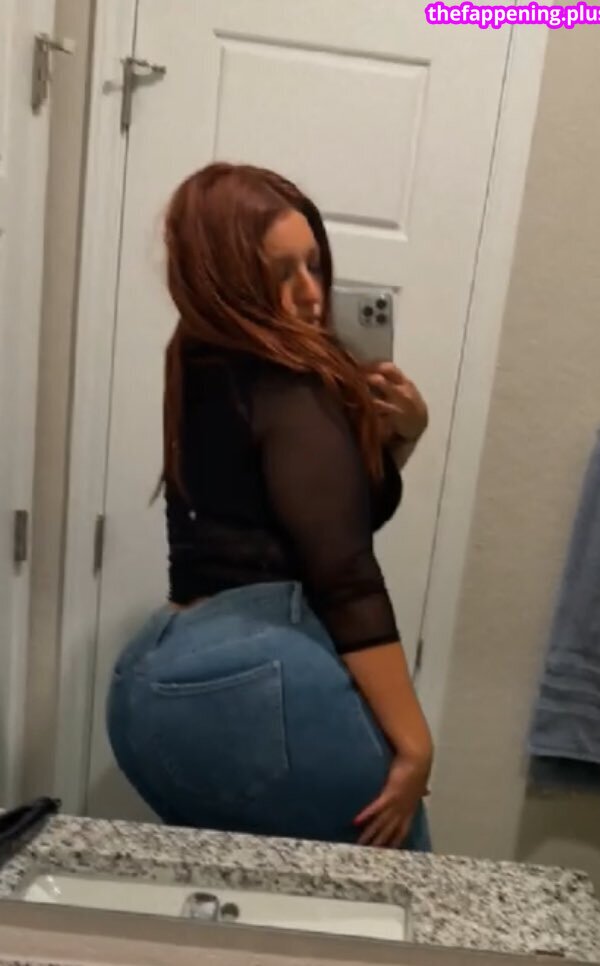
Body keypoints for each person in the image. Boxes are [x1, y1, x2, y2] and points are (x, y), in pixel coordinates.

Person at [106, 162, 434, 850]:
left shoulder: (196, 356)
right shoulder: (287, 382)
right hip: (259, 675)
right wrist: (414, 744)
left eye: (314, 265)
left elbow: (316, 514)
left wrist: (398, 437)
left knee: (239, 895)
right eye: (281, 274)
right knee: (395, 891)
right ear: (227, 277)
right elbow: (344, 573)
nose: (310, 294)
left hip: (148, 680)